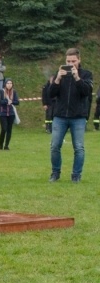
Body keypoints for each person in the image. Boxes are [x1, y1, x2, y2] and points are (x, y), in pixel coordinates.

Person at [47, 48, 93, 183]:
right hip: (60, 116)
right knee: (55, 146)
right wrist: (57, 79)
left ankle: (76, 175)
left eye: (73, 61)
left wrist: (77, 77)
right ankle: (55, 173)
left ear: (79, 60)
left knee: (78, 147)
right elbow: (50, 94)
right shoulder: (59, 74)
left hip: (78, 116)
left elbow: (86, 92)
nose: (71, 63)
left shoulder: (86, 74)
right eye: (68, 61)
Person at [0, 79, 20, 150]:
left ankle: (6, 145)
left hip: (11, 113)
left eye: (10, 83)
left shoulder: (14, 92)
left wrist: (12, 102)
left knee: (9, 129)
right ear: (5, 84)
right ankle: (0, 145)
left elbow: (17, 102)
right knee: (4, 129)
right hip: (2, 113)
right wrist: (6, 101)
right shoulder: (1, 91)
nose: (9, 85)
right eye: (8, 83)